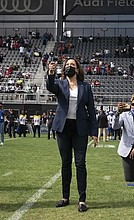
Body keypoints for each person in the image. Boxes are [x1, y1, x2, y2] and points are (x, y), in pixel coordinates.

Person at [46, 58, 98, 212]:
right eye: (67, 65)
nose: (69, 67)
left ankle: (82, 200)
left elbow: (92, 110)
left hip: (80, 128)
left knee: (80, 163)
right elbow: (49, 86)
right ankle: (65, 197)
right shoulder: (60, 84)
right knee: (65, 162)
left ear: (77, 69)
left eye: (72, 65)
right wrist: (50, 73)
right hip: (63, 128)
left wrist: (94, 132)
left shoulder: (86, 87)